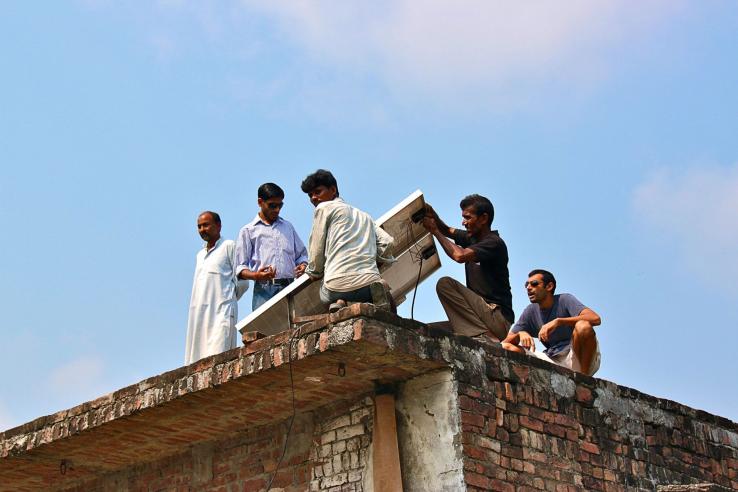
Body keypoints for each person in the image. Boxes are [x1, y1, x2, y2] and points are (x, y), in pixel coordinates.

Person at [423, 194, 513, 342]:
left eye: (468, 218)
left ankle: (483, 337)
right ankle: (479, 334)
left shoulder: (493, 242)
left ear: (484, 218)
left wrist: (435, 232)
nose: (464, 222)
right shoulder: (473, 238)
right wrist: (434, 217)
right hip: (480, 316)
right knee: (428, 333)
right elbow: (447, 230)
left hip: (497, 318)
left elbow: (459, 256)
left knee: (445, 284)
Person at [300, 169, 394, 312]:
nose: (313, 197)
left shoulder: (323, 208)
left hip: (335, 286)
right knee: (374, 286)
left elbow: (317, 250)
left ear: (333, 190)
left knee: (324, 294)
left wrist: (313, 272)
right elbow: (387, 242)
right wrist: (371, 262)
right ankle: (363, 293)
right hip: (369, 283)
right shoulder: (365, 216)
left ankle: (340, 300)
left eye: (317, 192)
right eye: (310, 195)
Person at [501, 269, 602, 376]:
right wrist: (520, 334)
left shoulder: (564, 300)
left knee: (583, 326)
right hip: (553, 359)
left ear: (549, 286)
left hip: (579, 358)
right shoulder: (530, 311)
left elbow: (595, 318)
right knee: (506, 347)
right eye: (526, 285)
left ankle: (585, 380)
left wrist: (559, 321)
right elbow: (505, 342)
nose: (529, 288)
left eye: (534, 284)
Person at [184, 211, 245, 365]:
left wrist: (226, 299)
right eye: (199, 226)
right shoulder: (200, 255)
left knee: (220, 355)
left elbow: (242, 282)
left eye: (206, 225)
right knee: (198, 357)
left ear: (218, 226)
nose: (202, 229)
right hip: (200, 312)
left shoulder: (228, 246)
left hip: (222, 311)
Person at [235, 183, 308, 310]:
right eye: (272, 205)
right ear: (260, 202)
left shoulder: (288, 227)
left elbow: (301, 255)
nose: (277, 210)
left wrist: (303, 265)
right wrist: (256, 276)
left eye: (280, 205)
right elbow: (240, 268)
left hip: (290, 286)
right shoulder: (248, 231)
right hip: (264, 289)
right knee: (265, 328)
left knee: (295, 328)